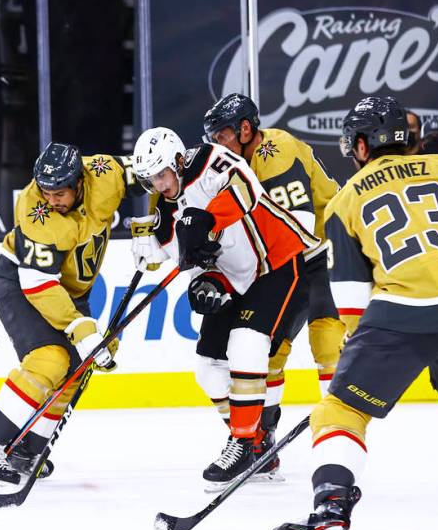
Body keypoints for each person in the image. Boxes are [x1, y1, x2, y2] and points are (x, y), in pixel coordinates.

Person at [269, 96, 438, 530]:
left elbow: (350, 299)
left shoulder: (346, 198)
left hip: (402, 313)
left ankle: (329, 512)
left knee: (340, 411)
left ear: (362, 146)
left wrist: (354, 352)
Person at [130, 126, 316, 490]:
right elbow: (198, 262)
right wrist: (206, 283)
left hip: (280, 261)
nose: (159, 185)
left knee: (246, 343)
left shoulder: (209, 160)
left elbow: (246, 188)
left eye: (162, 174)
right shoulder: (167, 218)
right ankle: (258, 442)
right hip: (240, 280)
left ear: (179, 161)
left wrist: (208, 218)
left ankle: (243, 443)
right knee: (207, 366)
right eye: (150, 180)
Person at [0, 143, 129, 494]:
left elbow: (151, 174)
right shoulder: (35, 213)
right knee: (50, 359)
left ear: (80, 182)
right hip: (22, 285)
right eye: (47, 192)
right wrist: (82, 328)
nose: (52, 200)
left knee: (77, 369)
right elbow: (39, 284)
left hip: (70, 291)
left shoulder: (105, 173)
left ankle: (26, 449)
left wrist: (154, 227)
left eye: (60, 193)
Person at [199, 93, 345, 488]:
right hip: (279, 261)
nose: (216, 143)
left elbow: (296, 226)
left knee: (327, 343)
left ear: (247, 129)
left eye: (223, 134)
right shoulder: (230, 164)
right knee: (268, 353)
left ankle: (342, 440)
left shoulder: (275, 151)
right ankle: (262, 441)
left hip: (316, 252)